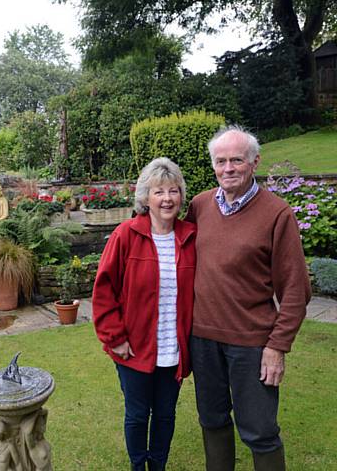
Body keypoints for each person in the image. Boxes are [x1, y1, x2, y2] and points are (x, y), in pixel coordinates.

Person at [185, 125, 310, 471]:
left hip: (252, 344)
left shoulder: (277, 213)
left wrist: (277, 347)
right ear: (213, 165)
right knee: (212, 420)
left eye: (237, 160)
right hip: (203, 340)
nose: (228, 168)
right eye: (221, 161)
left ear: (255, 162)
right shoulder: (199, 206)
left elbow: (296, 290)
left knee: (259, 431)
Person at [93, 158, 196, 471]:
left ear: (181, 196)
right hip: (134, 348)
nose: (167, 198)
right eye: (159, 192)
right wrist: (116, 339)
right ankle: (139, 466)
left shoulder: (190, 237)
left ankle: (158, 465)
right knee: (138, 415)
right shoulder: (126, 235)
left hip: (173, 349)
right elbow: (103, 291)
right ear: (146, 198)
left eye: (174, 191)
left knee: (166, 414)